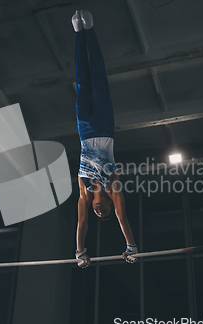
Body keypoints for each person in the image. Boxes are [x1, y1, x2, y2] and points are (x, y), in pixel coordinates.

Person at [72, 9, 138, 268]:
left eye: (99, 213)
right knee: (98, 79)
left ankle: (78, 34)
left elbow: (81, 223)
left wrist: (80, 252)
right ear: (111, 204)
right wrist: (131, 247)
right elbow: (123, 220)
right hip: (105, 128)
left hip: (84, 131)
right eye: (105, 211)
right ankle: (90, 30)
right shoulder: (114, 189)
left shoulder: (85, 193)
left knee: (81, 82)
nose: (100, 211)